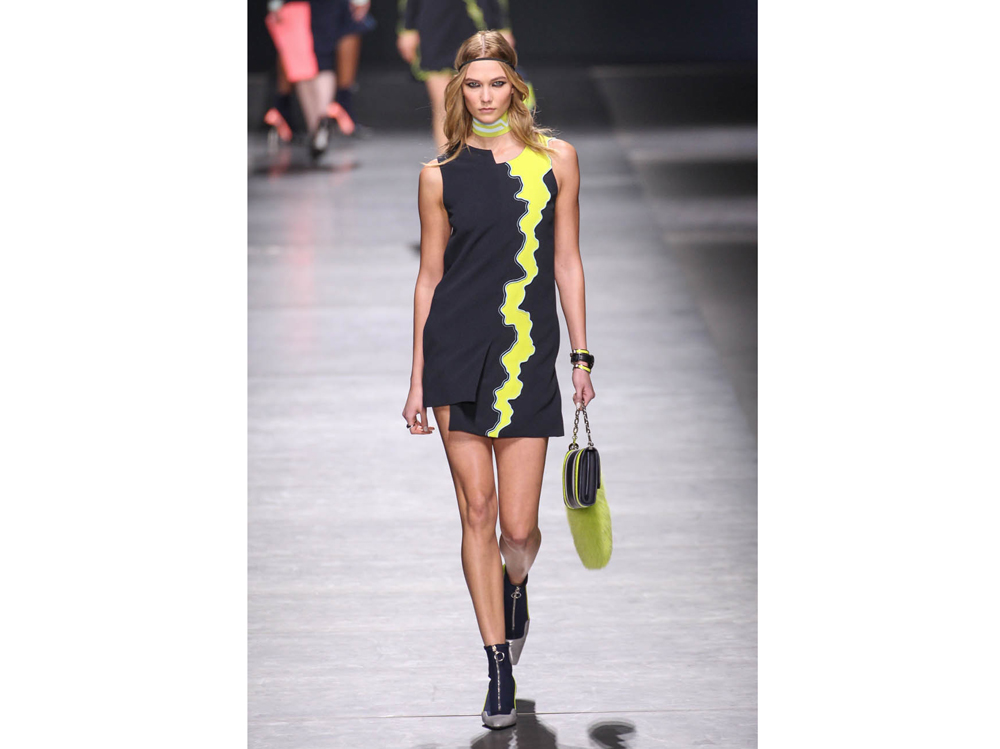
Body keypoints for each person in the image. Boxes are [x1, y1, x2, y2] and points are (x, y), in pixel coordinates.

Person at [401, 30, 595, 730]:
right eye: (474, 85)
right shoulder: (438, 175)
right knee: (476, 512)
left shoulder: (557, 160)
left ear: (516, 86)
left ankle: (517, 584)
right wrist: (417, 378)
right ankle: (497, 667)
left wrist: (581, 357)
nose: (486, 96)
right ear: (460, 90)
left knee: (518, 528)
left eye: (496, 83)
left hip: (525, 354)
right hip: (456, 353)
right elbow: (430, 278)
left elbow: (567, 260)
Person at [397, 1, 515, 150]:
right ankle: (447, 157)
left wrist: (501, 26)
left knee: (480, 100)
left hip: (474, 23)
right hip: (434, 25)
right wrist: (408, 28)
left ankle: (481, 156)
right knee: (444, 104)